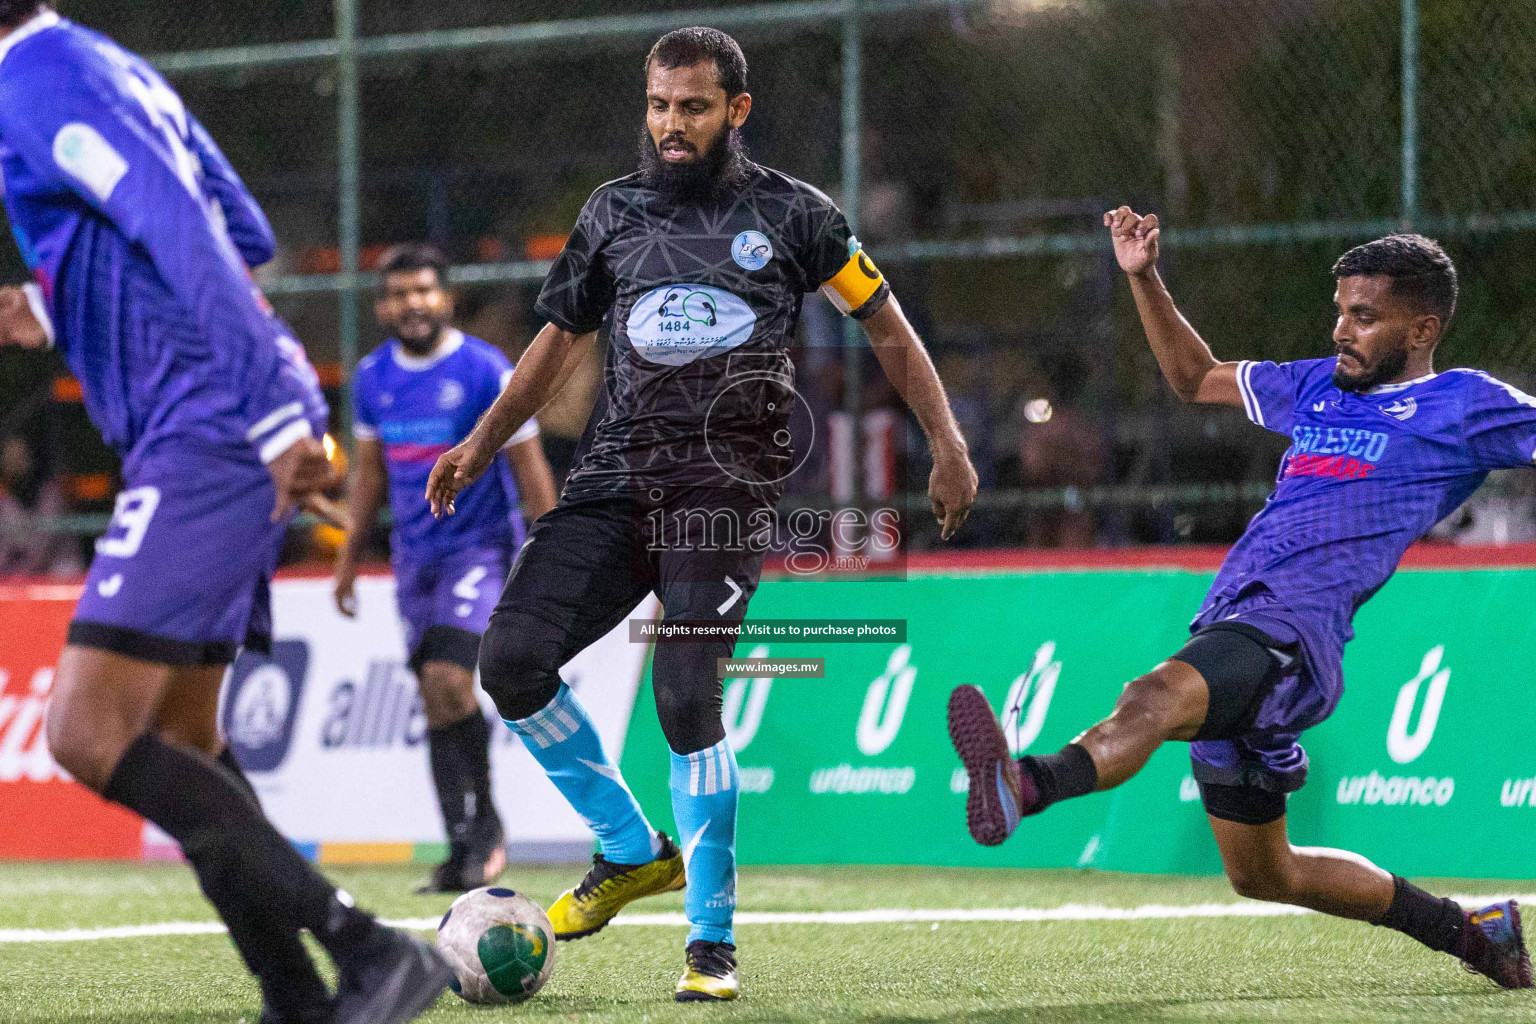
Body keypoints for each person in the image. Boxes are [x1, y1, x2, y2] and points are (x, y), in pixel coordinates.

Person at [425, 26, 978, 1002]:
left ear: (737, 111)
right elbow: (555, 345)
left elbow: (888, 328)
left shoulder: (796, 216)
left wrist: (948, 443)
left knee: (686, 698)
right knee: (509, 663)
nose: (672, 126)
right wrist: (482, 440)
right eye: (658, 106)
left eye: (692, 107)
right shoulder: (612, 214)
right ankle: (631, 848)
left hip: (722, 500)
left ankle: (710, 944)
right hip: (612, 483)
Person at [0, 5, 451, 1022]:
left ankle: (368, 948)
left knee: (83, 730)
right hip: (217, 414)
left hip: (210, 423)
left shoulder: (34, 84)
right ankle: (293, 989)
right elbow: (239, 227)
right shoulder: (98, 63)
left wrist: (273, 408)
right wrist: (59, 297)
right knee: (185, 734)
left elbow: (174, 220)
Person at [948, 207, 1532, 990]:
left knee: (1150, 696)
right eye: (1340, 312)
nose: (1341, 330)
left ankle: (1028, 783)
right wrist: (1143, 276)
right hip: (1238, 617)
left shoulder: (1464, 404)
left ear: (1422, 329)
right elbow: (1195, 378)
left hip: (1293, 633)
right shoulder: (1317, 385)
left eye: (1364, 317)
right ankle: (1473, 932)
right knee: (1267, 875)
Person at [334, 242, 558, 893]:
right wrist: (349, 559)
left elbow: (529, 467)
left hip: (478, 550)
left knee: (449, 678)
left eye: (424, 291)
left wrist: (552, 551)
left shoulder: (486, 370)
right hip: (414, 561)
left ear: (447, 298)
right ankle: (458, 847)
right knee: (433, 700)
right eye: (400, 293)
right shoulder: (374, 379)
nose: (413, 303)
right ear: (383, 306)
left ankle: (486, 829)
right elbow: (369, 476)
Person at [0, 432, 83, 576]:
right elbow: (4, 549)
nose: (14, 466)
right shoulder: (6, 502)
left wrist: (18, 576)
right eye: (10, 460)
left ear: (31, 460)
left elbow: (41, 550)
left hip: (58, 573)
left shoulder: (52, 495)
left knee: (65, 569)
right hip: (21, 576)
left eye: (20, 458)